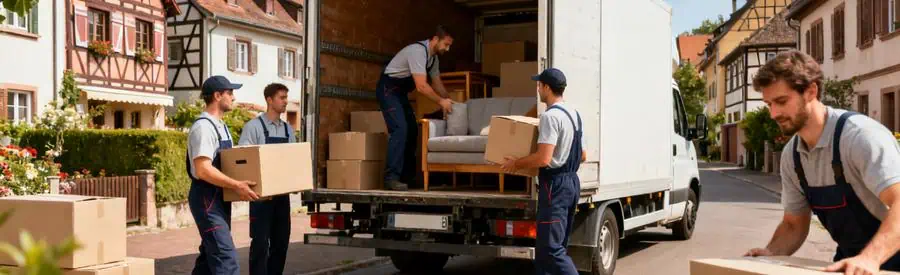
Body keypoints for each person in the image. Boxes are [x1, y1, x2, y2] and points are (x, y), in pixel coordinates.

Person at [744, 50, 900, 275]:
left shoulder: (859, 137)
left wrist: (870, 259)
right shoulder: (792, 156)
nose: (774, 113)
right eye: (769, 104)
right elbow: (793, 224)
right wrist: (772, 253)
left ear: (811, 91)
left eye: (781, 101)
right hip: (853, 262)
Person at [500, 68, 586, 275]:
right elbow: (583, 155)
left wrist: (516, 163)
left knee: (551, 249)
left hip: (555, 186)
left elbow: (543, 158)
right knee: (549, 250)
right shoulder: (574, 114)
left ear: (546, 87)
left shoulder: (550, 117)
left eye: (539, 84)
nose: (538, 88)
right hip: (571, 183)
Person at [187, 75, 259, 275]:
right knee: (225, 259)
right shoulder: (203, 127)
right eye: (230, 93)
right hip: (206, 199)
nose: (234, 97)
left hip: (219, 198)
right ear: (218, 96)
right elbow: (203, 169)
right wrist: (236, 185)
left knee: (208, 260)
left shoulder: (221, 126)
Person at [377, 25, 455, 191]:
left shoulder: (433, 59)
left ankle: (406, 177)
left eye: (449, 46)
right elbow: (421, 86)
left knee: (412, 130)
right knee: (400, 129)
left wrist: (449, 100)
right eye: (446, 45)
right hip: (388, 91)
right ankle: (391, 178)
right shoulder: (417, 52)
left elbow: (437, 83)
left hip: (399, 94)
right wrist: (441, 102)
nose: (447, 49)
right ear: (435, 39)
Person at [239, 83, 297, 275]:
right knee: (261, 244)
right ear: (269, 100)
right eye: (281, 97)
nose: (285, 102)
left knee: (281, 243)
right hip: (261, 197)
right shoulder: (253, 127)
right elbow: (244, 160)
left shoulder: (288, 130)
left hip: (282, 197)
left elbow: (293, 161)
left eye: (286, 97)